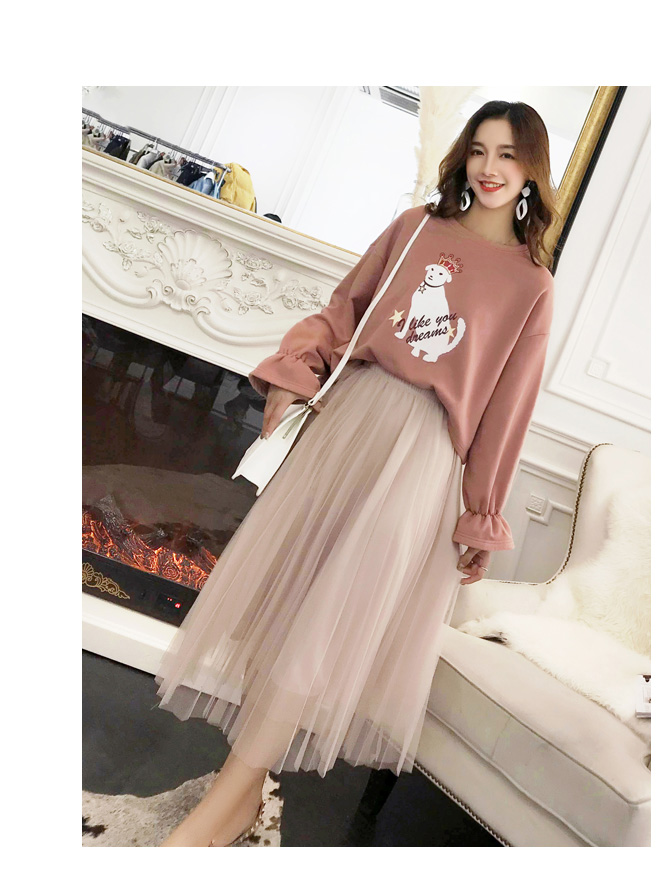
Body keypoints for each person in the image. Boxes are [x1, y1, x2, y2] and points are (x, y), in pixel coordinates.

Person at [156, 100, 558, 847]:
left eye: (508, 154)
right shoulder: (415, 229)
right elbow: (344, 310)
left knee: (323, 629)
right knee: (289, 611)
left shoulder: (531, 285)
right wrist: (296, 369)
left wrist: (480, 513)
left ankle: (222, 807)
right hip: (349, 427)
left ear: (532, 168)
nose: (490, 168)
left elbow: (507, 411)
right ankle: (238, 795)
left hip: (421, 459)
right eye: (479, 150)